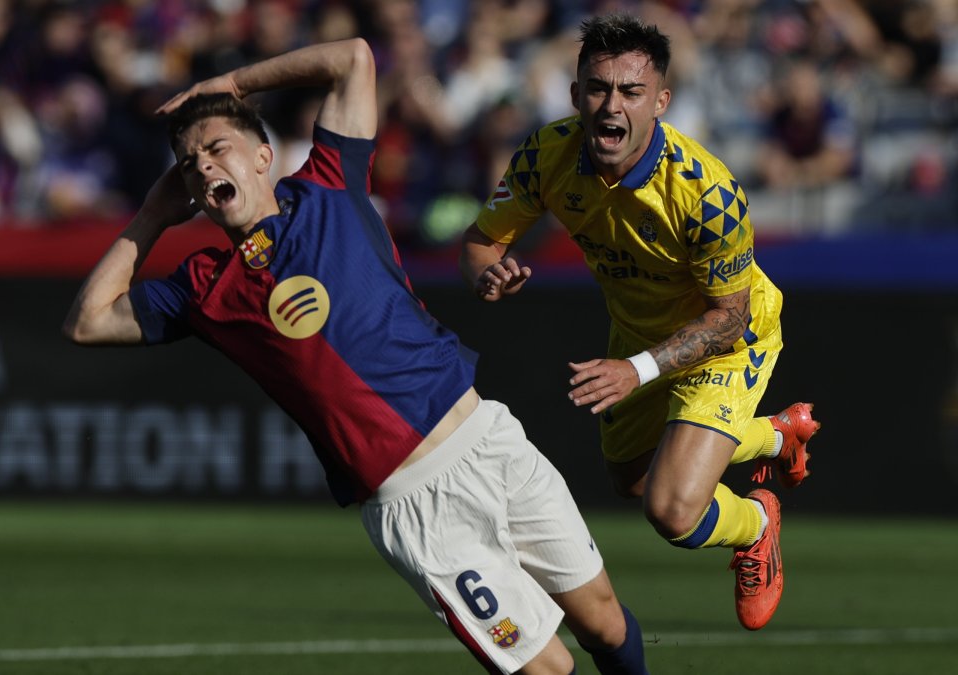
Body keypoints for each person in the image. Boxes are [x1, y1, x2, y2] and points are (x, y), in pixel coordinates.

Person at [64, 38, 648, 675]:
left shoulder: (327, 186)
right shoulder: (201, 286)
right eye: (187, 162)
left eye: (215, 149)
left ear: (264, 157)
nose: (202, 167)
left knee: (605, 621)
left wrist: (232, 84)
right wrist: (151, 213)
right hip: (415, 503)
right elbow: (86, 323)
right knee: (548, 671)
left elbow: (354, 58)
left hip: (488, 438)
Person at [459, 14, 821, 632]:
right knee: (630, 481)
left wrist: (638, 369)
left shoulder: (706, 191)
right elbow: (482, 240)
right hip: (636, 335)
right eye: (598, 88)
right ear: (575, 95)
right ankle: (773, 436)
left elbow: (728, 319)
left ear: (660, 102)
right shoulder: (548, 153)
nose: (611, 106)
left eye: (630, 92)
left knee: (672, 510)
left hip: (727, 339)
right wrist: (489, 274)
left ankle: (757, 524)